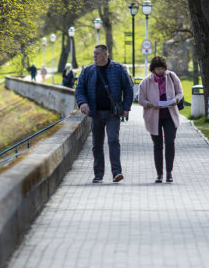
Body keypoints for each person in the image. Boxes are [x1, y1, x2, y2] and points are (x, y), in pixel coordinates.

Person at [75, 44, 134, 183]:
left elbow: (128, 88)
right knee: (97, 144)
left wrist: (126, 107)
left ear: (106, 54)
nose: (94, 56)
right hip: (95, 113)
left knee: (113, 140)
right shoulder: (88, 70)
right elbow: (79, 89)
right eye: (94, 53)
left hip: (113, 113)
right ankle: (98, 175)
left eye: (98, 54)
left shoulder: (118, 69)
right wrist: (82, 103)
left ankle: (116, 172)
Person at [138, 56, 183, 183]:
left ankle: (169, 173)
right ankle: (159, 174)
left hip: (170, 115)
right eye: (158, 68)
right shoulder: (146, 82)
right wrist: (151, 104)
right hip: (154, 117)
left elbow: (180, 92)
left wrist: (176, 100)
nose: (160, 71)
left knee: (170, 141)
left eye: (162, 68)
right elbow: (141, 100)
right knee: (157, 145)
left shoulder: (172, 77)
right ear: (153, 69)